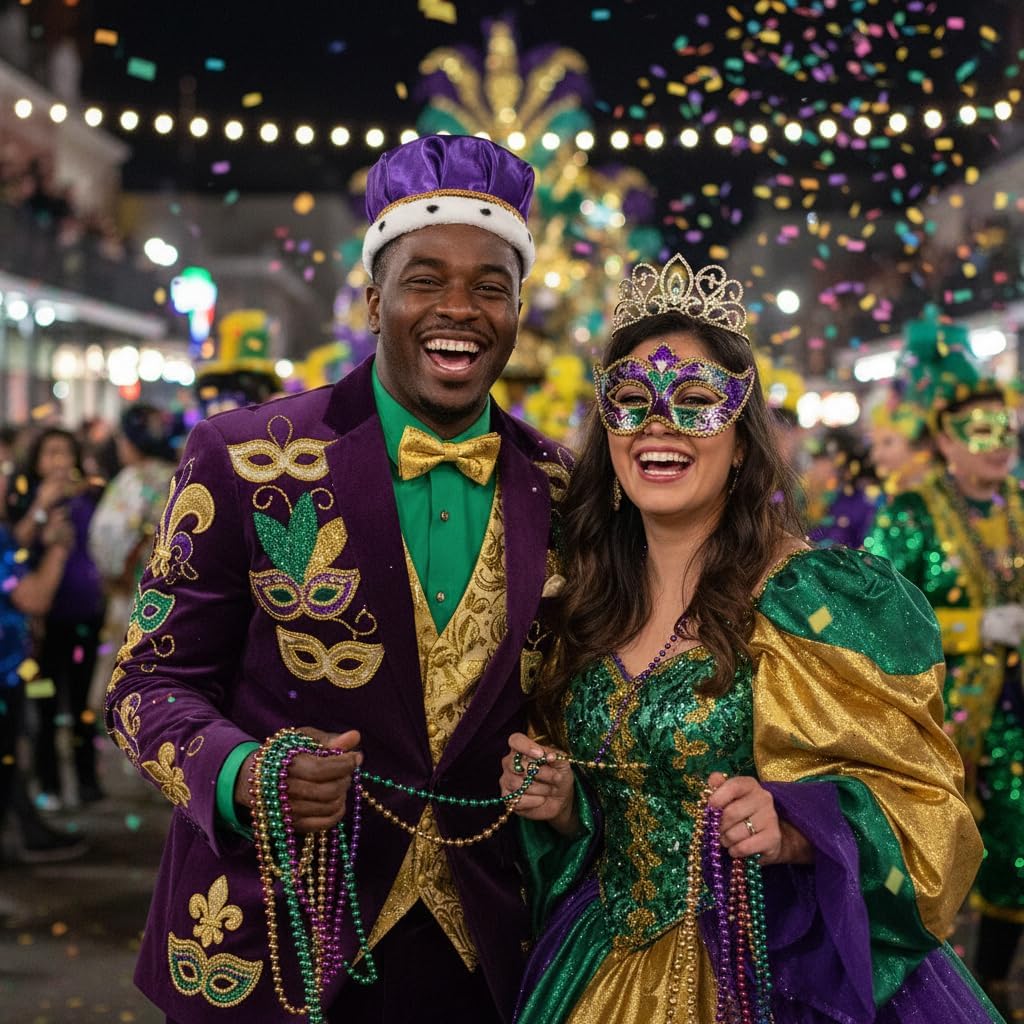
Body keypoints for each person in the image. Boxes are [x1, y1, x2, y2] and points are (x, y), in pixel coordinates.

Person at [105, 134, 571, 1024]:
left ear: (517, 311)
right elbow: (146, 683)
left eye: (491, 287)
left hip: (487, 952)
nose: (460, 308)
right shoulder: (241, 458)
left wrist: (566, 786)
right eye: (426, 280)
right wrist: (242, 772)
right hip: (269, 935)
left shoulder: (563, 487)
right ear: (375, 301)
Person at [500, 255, 1002, 1024]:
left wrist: (799, 827)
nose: (659, 424)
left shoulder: (810, 599)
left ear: (741, 441)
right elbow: (619, 809)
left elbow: (923, 803)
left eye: (695, 402)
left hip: (768, 975)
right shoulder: (585, 600)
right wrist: (568, 807)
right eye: (631, 402)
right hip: (598, 965)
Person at [865, 308, 1023, 1015]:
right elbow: (876, 612)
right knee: (930, 859)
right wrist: (971, 627)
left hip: (1013, 714)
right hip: (937, 719)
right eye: (978, 431)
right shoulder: (911, 510)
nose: (998, 445)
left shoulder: (1018, 502)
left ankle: (994, 989)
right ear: (944, 438)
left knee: (1016, 846)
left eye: (1004, 428)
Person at [6, 427, 106, 808]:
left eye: (66, 452)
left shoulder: (89, 498)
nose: (60, 461)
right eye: (50, 453)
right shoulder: (25, 499)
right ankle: (48, 782)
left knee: (82, 702)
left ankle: (87, 780)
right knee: (44, 702)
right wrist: (42, 507)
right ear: (36, 461)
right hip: (42, 624)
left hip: (85, 616)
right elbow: (15, 546)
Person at [87, 404, 178, 712]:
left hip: (132, 592)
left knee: (124, 681)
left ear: (129, 440)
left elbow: (106, 536)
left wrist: (112, 572)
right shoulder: (179, 475)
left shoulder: (131, 480)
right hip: (172, 597)